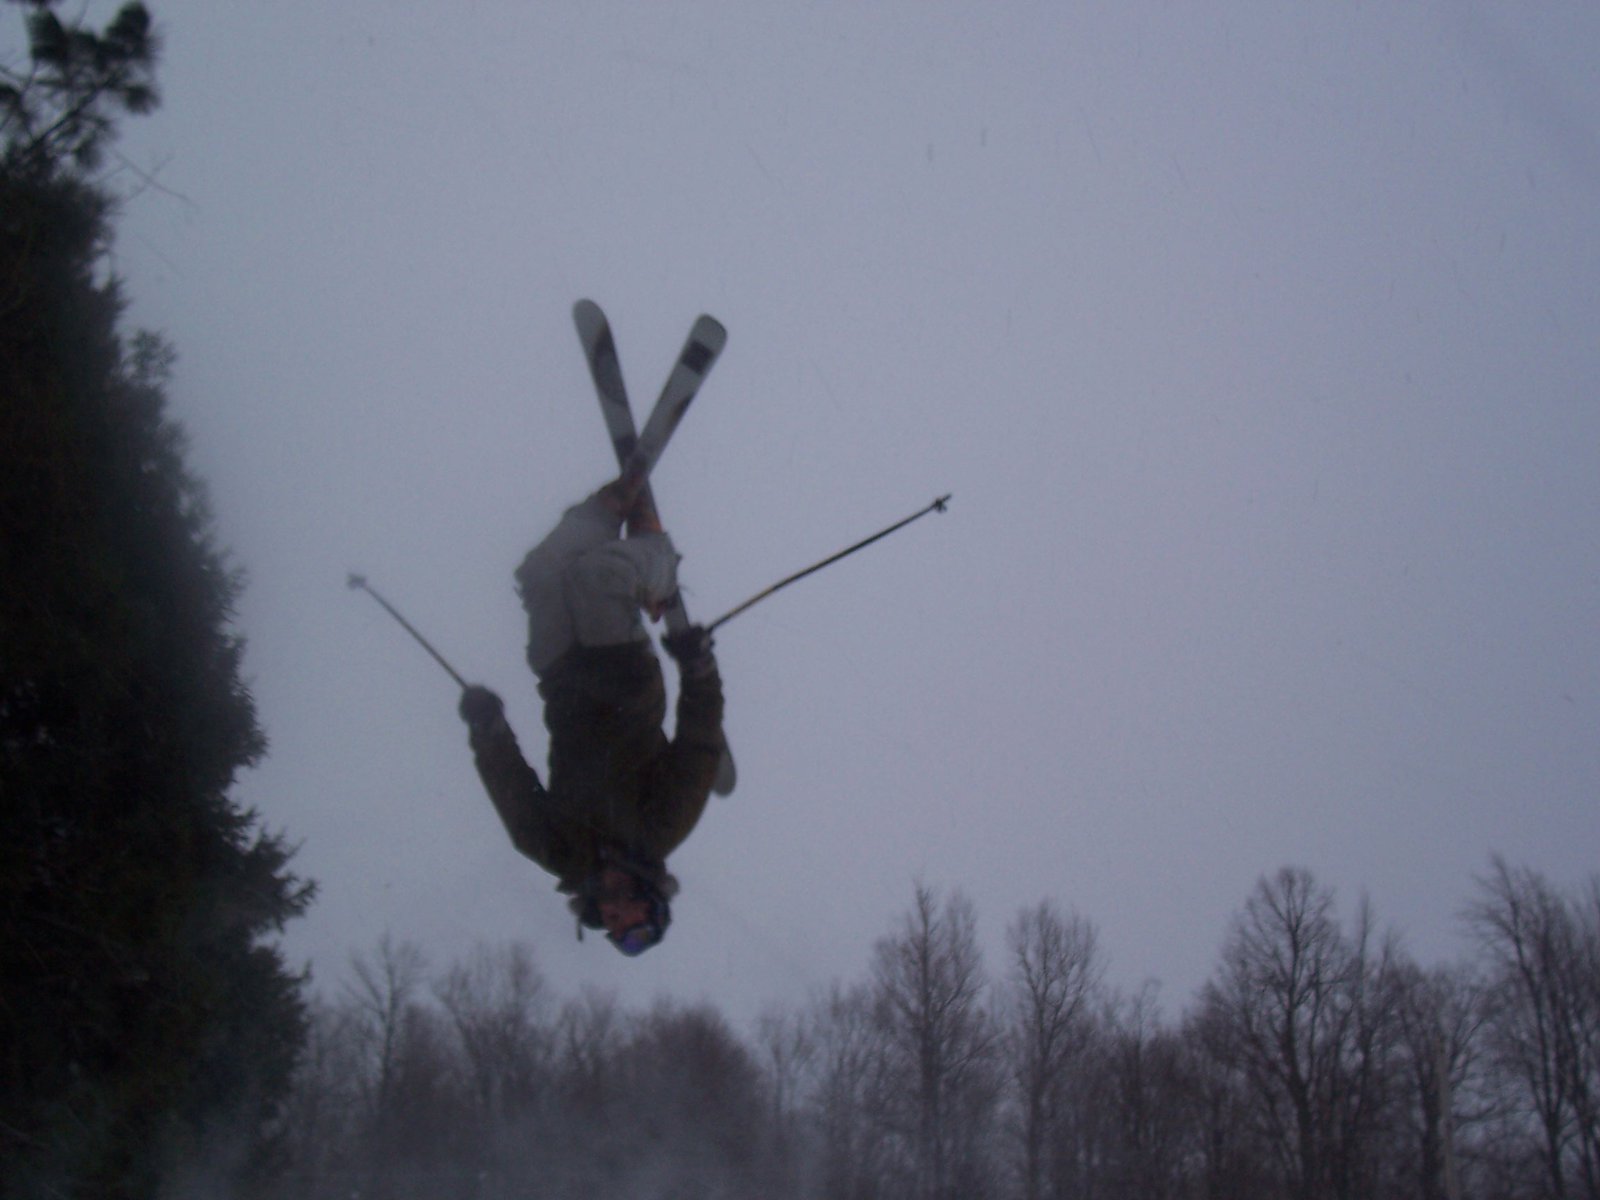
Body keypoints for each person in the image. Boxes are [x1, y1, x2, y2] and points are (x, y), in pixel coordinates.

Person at [456, 470, 725, 956]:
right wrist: (698, 669)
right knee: (596, 578)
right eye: (638, 928)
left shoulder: (562, 853)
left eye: (614, 930)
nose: (620, 922)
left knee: (539, 575)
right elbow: (698, 746)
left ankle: (605, 512)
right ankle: (657, 564)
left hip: (561, 680)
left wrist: (487, 729)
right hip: (622, 677)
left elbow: (511, 788)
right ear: (654, 907)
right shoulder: (661, 830)